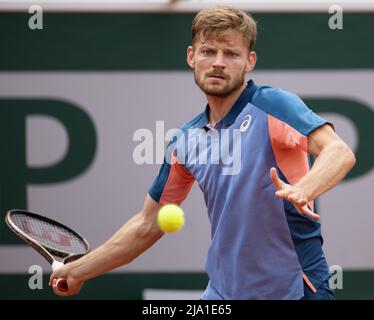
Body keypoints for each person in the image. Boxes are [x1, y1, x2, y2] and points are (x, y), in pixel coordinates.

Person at [50, 6, 355, 300]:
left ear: (249, 62)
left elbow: (338, 152)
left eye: (231, 54)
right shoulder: (184, 141)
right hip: (222, 293)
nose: (218, 62)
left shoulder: (274, 105)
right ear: (191, 57)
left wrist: (304, 189)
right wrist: (78, 271)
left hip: (294, 291)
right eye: (208, 51)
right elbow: (147, 224)